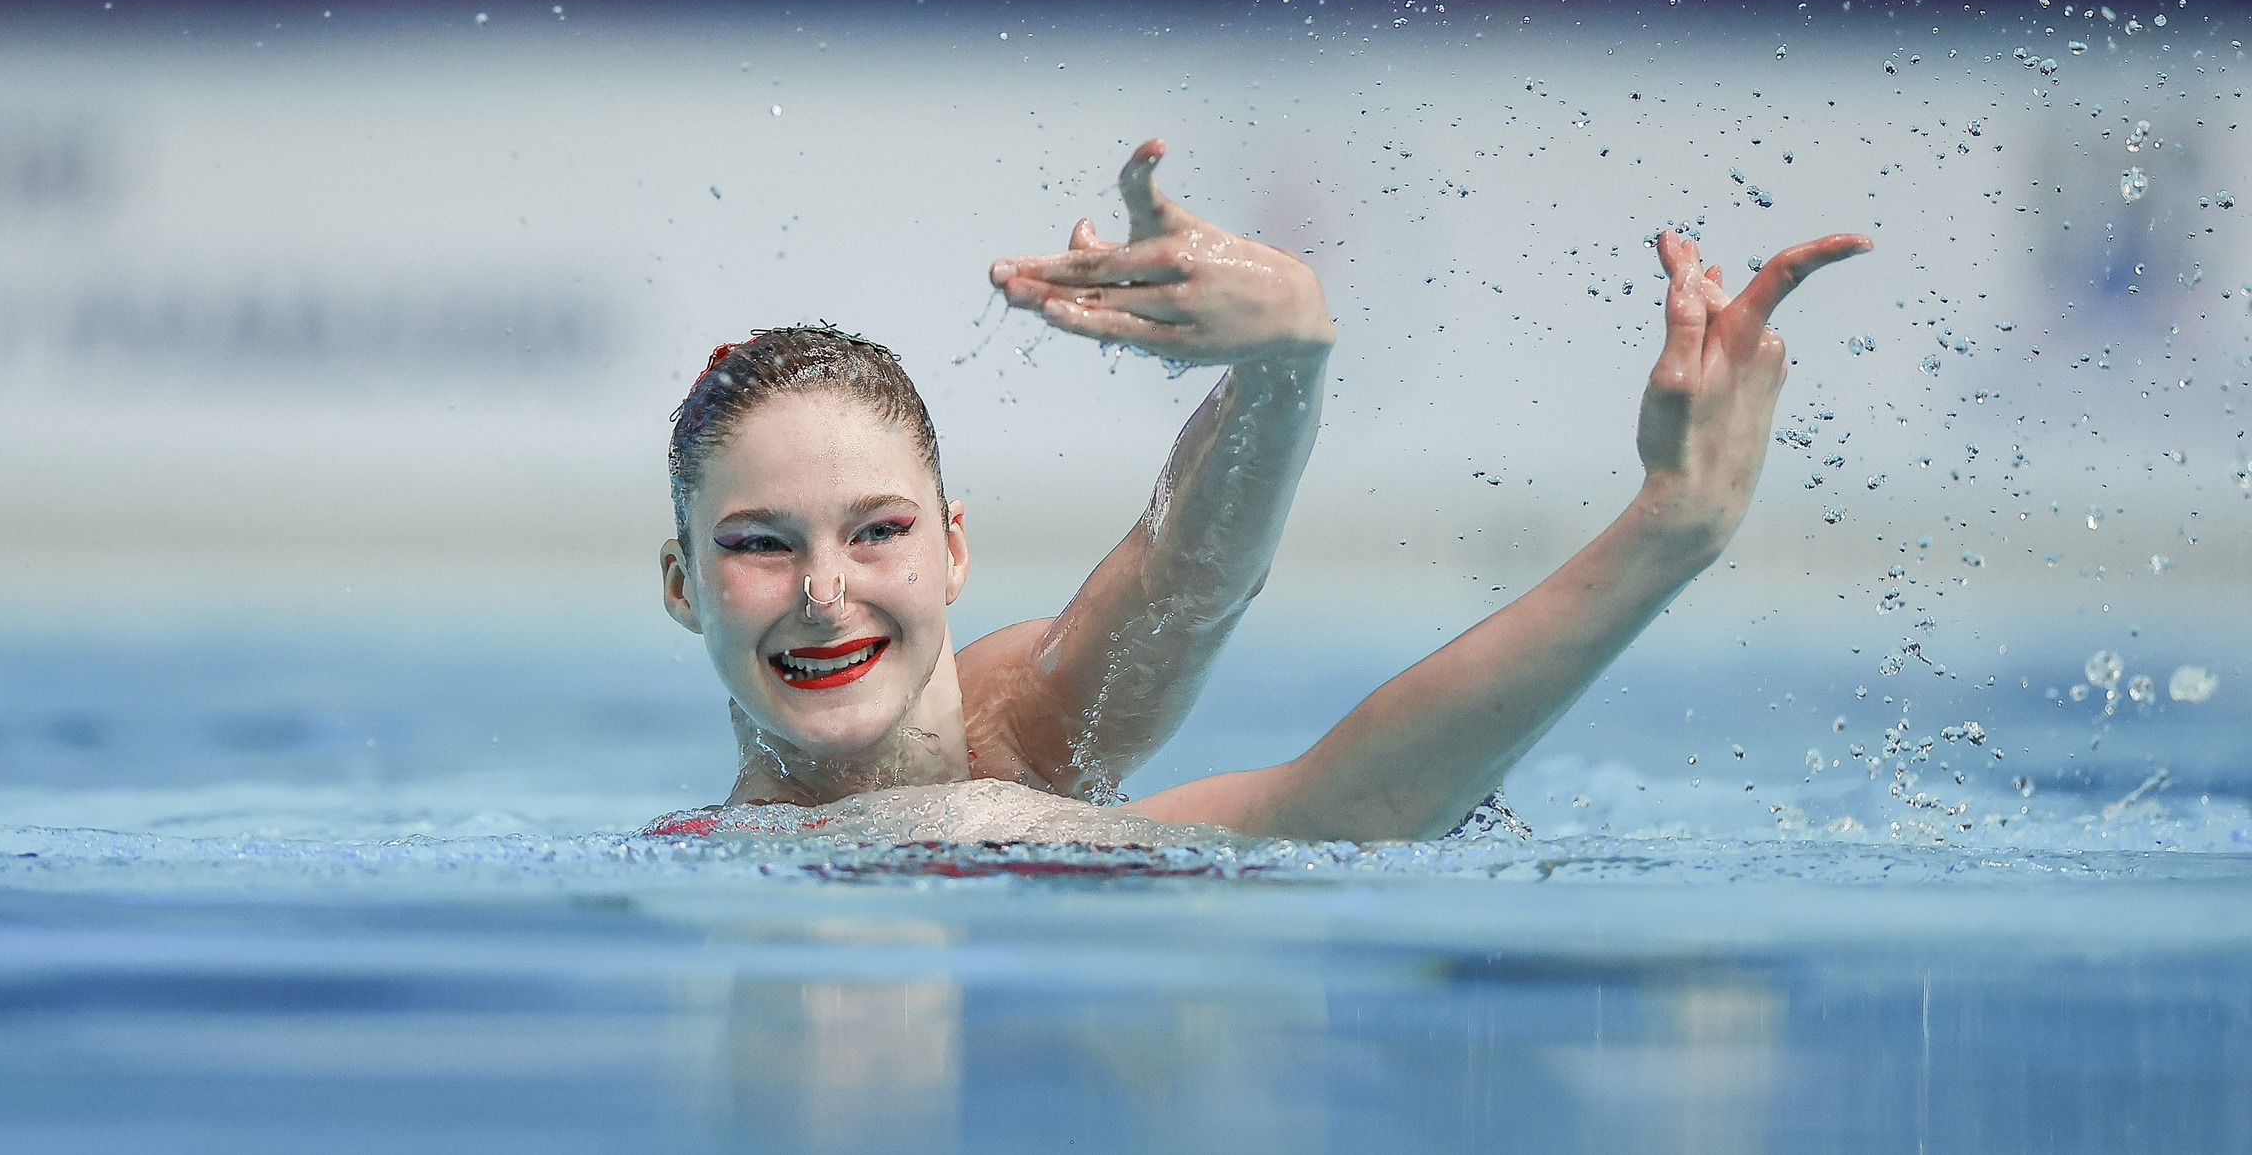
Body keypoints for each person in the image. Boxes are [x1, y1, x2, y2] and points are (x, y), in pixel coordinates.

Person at [651, 139, 1869, 843]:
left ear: (955, 548)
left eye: (878, 532)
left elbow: (1185, 575)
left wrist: (1286, 364)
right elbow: (1339, 808)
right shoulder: (902, 840)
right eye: (761, 543)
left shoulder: (1008, 719)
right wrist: (1671, 524)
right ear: (681, 584)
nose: (825, 592)